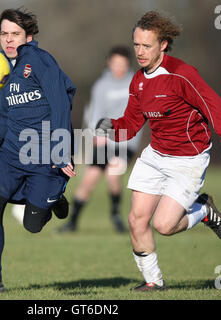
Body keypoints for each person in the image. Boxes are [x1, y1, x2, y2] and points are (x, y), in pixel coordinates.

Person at [96, 11, 221, 291]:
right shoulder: (138, 80)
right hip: (155, 156)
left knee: (164, 225)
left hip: (188, 160)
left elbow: (214, 105)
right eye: (136, 45)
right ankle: (154, 282)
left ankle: (203, 210)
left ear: (163, 44)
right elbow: (131, 123)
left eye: (147, 46)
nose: (140, 52)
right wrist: (112, 127)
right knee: (136, 220)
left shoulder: (181, 74)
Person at [0, 8, 76, 293]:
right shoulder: (0, 67)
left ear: (28, 36)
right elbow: (2, 115)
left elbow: (60, 105)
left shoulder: (41, 62)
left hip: (45, 156)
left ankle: (54, 199)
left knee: (32, 224)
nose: (8, 40)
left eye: (14, 34)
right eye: (4, 34)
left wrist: (62, 150)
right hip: (10, 155)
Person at [58, 46, 143, 234]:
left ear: (128, 64)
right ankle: (72, 222)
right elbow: (96, 114)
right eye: (115, 64)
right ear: (109, 63)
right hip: (104, 141)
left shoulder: (136, 83)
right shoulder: (101, 86)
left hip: (124, 141)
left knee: (113, 175)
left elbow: (138, 115)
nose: (118, 67)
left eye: (122, 64)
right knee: (89, 180)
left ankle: (116, 217)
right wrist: (98, 135)